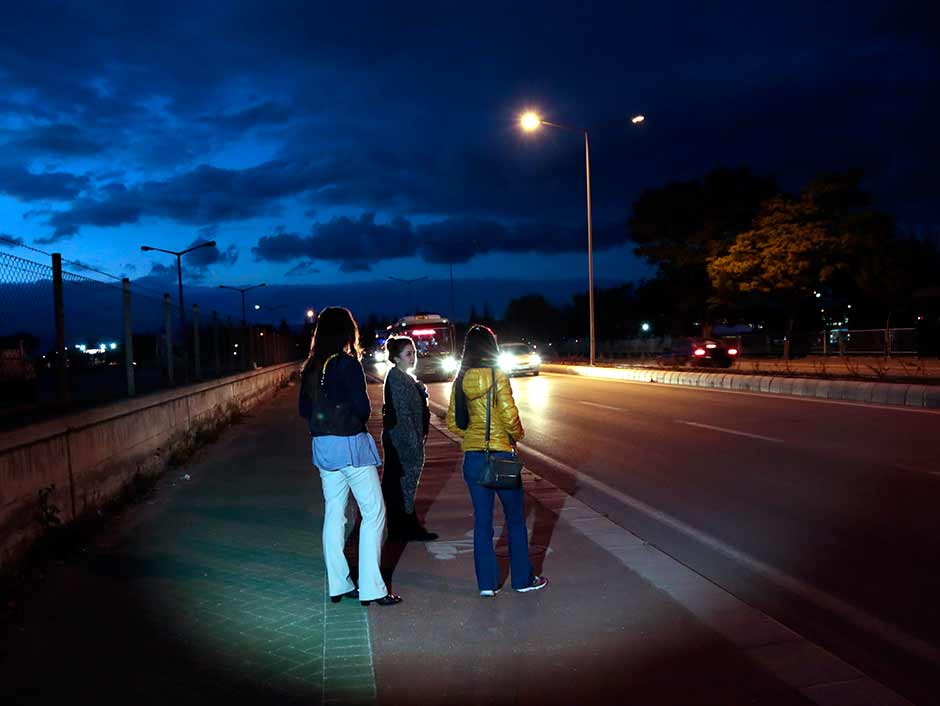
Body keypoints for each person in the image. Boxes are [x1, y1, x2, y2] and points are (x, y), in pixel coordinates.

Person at [299, 306, 402, 607]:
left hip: (323, 448)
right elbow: (363, 408)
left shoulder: (310, 367)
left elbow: (304, 411)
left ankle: (339, 583)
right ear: (347, 332)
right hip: (350, 447)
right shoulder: (347, 364)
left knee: (334, 512)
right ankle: (372, 588)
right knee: (374, 513)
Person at [446, 324, 547, 596]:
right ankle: (523, 581)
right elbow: (509, 415)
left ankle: (487, 585)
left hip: (474, 459)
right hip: (501, 457)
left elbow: (453, 422)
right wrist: (517, 434)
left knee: (482, 522)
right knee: (515, 520)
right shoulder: (498, 376)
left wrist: (474, 436)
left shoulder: (460, 380)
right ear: (492, 347)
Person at [381, 335, 437, 542]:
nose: (413, 357)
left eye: (414, 353)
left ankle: (407, 525)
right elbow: (402, 413)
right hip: (401, 442)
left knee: (405, 485)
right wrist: (414, 443)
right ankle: (402, 528)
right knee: (401, 484)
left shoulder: (406, 377)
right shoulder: (396, 377)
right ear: (396, 358)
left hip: (407, 440)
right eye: (408, 354)